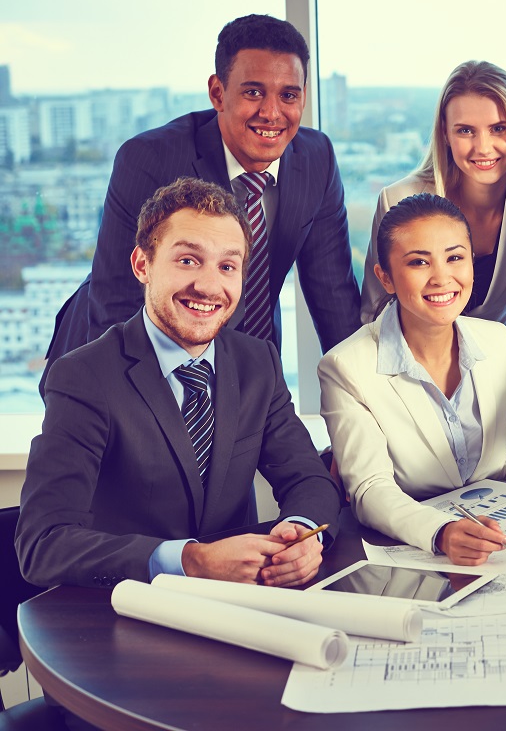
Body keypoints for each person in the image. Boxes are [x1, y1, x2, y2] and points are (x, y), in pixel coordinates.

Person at [17, 177, 341, 589]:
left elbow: (307, 477)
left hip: (238, 606)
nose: (208, 286)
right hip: (124, 615)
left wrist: (303, 533)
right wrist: (188, 560)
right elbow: (42, 544)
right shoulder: (83, 377)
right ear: (142, 265)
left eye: (227, 266)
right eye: (187, 260)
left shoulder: (257, 363)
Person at [43, 14, 360, 390]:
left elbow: (334, 298)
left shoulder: (316, 158)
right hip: (117, 363)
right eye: (253, 92)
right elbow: (116, 303)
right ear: (217, 93)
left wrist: (363, 410)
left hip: (247, 360)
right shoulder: (150, 160)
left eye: (288, 95)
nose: (272, 113)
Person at [319, 195, 506, 566]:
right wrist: (440, 532)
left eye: (455, 257)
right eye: (418, 262)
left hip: (504, 542)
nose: (442, 277)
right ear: (386, 278)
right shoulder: (345, 367)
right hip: (417, 553)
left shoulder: (497, 340)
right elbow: (370, 489)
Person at [361, 61, 506, 446]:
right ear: (445, 135)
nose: (483, 147)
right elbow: (376, 317)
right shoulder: (399, 200)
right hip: (412, 381)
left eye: (499, 128)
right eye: (465, 131)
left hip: (494, 373)